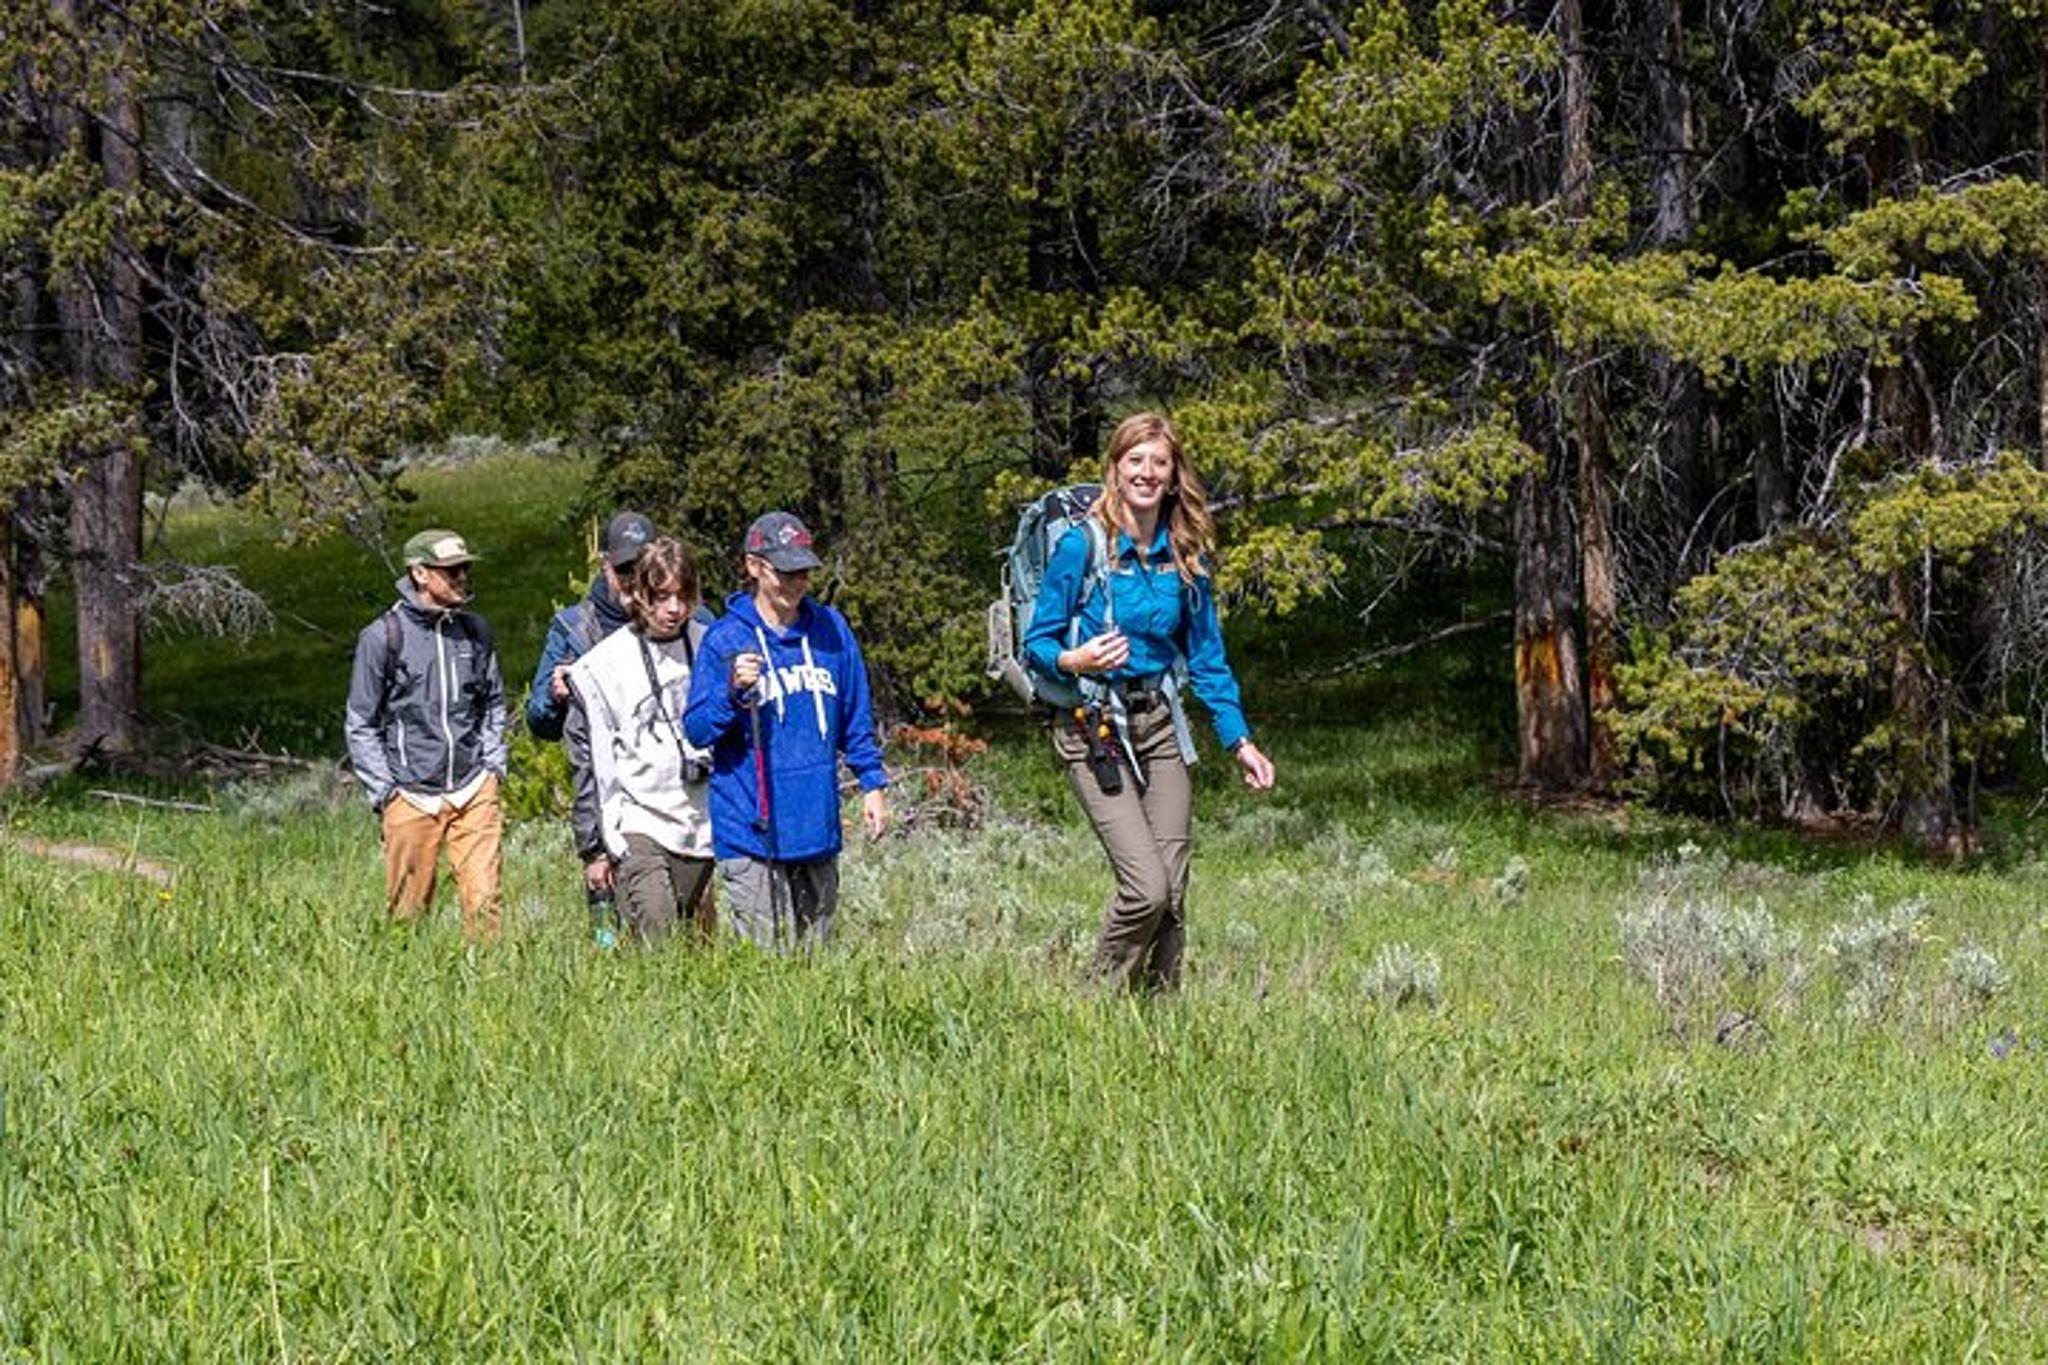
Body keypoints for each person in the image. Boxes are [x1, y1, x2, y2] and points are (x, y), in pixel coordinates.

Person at [1022, 411, 1277, 991]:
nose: (1146, 472)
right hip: (1092, 728)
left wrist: (1239, 740)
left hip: (1159, 724)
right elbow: (1036, 641)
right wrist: (1074, 660)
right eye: (1134, 460)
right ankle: (1090, 1001)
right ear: (1115, 469)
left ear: (1172, 474)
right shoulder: (1081, 547)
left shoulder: (1186, 554)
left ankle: (1157, 1018)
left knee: (1174, 889)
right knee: (1145, 888)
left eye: (1157, 462)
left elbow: (1208, 658)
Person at [683, 511, 889, 948]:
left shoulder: (832, 631)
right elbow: (698, 730)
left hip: (816, 826)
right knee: (765, 966)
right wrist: (732, 691)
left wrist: (872, 783)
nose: (795, 584)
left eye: (804, 572)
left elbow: (854, 715)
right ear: (754, 566)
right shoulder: (725, 639)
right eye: (785, 572)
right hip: (749, 829)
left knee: (815, 963)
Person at [344, 527, 509, 940]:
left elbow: (493, 703)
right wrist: (387, 793)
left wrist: (493, 768)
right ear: (420, 574)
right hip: (410, 794)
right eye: (451, 571)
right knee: (408, 913)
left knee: (485, 902)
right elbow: (361, 722)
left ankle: (487, 991)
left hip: (474, 788)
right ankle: (406, 989)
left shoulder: (476, 632)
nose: (462, 579)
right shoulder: (382, 636)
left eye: (464, 570)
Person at [566, 536, 717, 944]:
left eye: (683, 597)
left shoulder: (712, 645)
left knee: (697, 943)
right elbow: (589, 761)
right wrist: (594, 846)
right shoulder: (603, 666)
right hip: (639, 821)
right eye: (662, 596)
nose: (673, 609)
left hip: (705, 821)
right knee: (658, 931)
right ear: (637, 593)